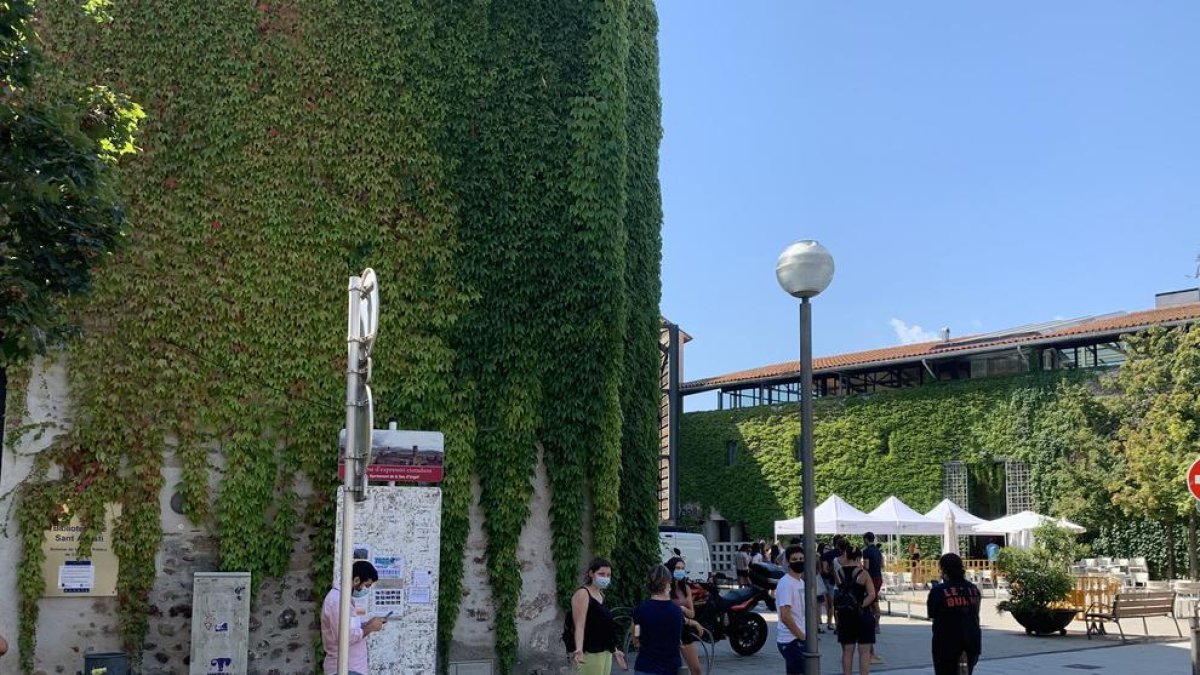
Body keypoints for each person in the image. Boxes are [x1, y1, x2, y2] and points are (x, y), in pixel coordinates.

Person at [321, 560, 387, 675]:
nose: (366, 590)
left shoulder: (343, 599)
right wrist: (370, 628)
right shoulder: (337, 601)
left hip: (353, 667)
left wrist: (366, 624)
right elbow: (344, 636)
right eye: (367, 585)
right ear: (356, 580)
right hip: (344, 667)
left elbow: (348, 628)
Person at [927, 553, 982, 675]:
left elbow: (932, 614)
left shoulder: (938, 590)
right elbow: (976, 613)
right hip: (971, 640)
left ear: (943, 570)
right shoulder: (973, 589)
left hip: (946, 642)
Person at [571, 557, 627, 673]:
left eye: (608, 575)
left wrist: (614, 650)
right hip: (590, 653)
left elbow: (605, 626)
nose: (605, 578)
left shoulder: (601, 594)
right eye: (601, 574)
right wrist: (579, 649)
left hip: (605, 653)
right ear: (591, 573)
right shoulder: (583, 594)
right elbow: (579, 625)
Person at [632, 564, 686, 675]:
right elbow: (677, 639)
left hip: (645, 666)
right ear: (668, 583)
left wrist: (639, 641)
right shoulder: (677, 611)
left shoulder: (639, 610)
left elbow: (636, 637)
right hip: (671, 667)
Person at [835, 547, 877, 675]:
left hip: (845, 614)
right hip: (862, 614)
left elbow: (839, 591)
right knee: (864, 652)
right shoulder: (863, 573)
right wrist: (861, 605)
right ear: (859, 557)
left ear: (846, 555)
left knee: (847, 651)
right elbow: (872, 594)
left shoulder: (839, 572)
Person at [665, 556, 704, 675]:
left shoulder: (686, 588)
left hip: (683, 629)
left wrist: (682, 609)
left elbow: (692, 613)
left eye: (682, 568)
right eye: (677, 568)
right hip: (668, 630)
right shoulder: (665, 588)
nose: (680, 571)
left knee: (696, 669)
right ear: (671, 569)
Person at [775, 544, 807, 675]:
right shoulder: (786, 583)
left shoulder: (801, 582)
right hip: (791, 640)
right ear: (788, 562)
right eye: (795, 559)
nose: (799, 562)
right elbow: (785, 616)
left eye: (801, 558)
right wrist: (802, 637)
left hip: (798, 638)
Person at [861, 533, 885, 665]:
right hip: (879, 576)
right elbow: (882, 564)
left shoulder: (866, 552)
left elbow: (866, 567)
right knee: (875, 599)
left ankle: (875, 623)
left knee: (872, 600)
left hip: (871, 578)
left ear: (865, 540)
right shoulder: (878, 551)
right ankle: (877, 622)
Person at [820, 537, 844, 630]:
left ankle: (830, 623)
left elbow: (825, 570)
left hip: (830, 581)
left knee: (832, 604)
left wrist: (833, 572)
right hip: (845, 581)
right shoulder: (847, 555)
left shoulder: (827, 555)